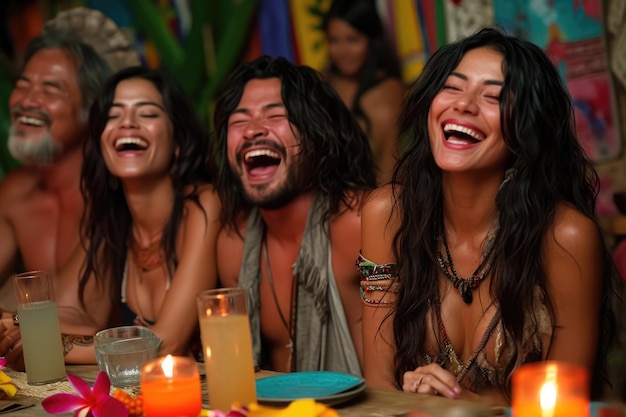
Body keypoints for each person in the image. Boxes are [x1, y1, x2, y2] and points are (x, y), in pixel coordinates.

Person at [359, 27, 620, 406]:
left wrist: (460, 405)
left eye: (495, 96)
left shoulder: (565, 237)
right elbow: (380, 385)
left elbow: (565, 404)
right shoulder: (386, 215)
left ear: (526, 128)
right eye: (452, 88)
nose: (463, 105)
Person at [215, 55, 376, 375]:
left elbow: (395, 375)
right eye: (239, 121)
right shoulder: (234, 244)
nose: (252, 131)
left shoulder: (358, 223)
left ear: (317, 136)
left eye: (276, 116)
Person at [50, 66, 221, 364]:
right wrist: (15, 328)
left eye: (148, 114)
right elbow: (65, 316)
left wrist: (52, 349)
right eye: (113, 115)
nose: (127, 123)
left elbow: (164, 346)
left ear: (178, 142)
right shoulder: (114, 225)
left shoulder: (205, 204)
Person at [0, 32, 111, 369]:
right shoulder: (15, 192)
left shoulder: (113, 192)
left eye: (51, 89)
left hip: (108, 380)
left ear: (89, 109)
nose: (27, 101)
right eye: (23, 85)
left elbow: (79, 316)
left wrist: (11, 321)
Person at [323, 0, 406, 185]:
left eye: (353, 40)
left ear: (372, 39)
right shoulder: (321, 83)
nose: (343, 51)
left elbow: (389, 170)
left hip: (370, 201)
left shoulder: (389, 91)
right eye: (334, 40)